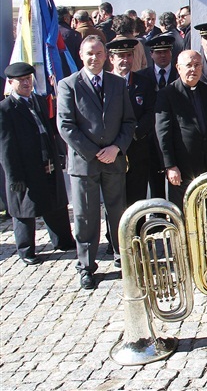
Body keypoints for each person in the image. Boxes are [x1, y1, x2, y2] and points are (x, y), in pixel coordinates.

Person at [57, 36, 136, 289]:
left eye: (99, 53)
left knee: (117, 213)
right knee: (86, 217)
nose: (95, 57)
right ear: (81, 55)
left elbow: (128, 121)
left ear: (106, 56)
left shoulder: (117, 84)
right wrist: (94, 152)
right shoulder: (68, 85)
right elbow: (65, 126)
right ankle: (86, 266)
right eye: (90, 53)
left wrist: (116, 148)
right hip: (84, 163)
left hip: (113, 160)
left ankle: (121, 257)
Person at [0, 62, 76, 265]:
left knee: (56, 202)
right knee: (24, 209)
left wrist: (59, 154)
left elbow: (50, 130)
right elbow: (5, 148)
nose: (26, 83)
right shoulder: (5, 109)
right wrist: (14, 176)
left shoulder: (39, 100)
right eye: (21, 80)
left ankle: (63, 240)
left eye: (28, 79)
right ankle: (26, 250)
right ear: (11, 82)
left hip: (47, 161)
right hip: (25, 166)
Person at [155, 50, 207, 208]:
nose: (193, 69)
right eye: (188, 65)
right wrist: (170, 165)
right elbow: (163, 133)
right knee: (185, 212)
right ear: (178, 67)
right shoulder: (167, 94)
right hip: (183, 167)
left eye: (197, 65)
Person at [107, 38, 156, 208]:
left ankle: (137, 233)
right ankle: (113, 235)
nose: (125, 60)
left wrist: (133, 132)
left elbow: (151, 112)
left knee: (137, 199)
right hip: (111, 150)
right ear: (111, 58)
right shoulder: (104, 84)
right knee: (114, 199)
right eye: (120, 56)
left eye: (128, 55)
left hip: (137, 149)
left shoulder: (144, 83)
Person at [137, 34, 178, 199]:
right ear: (151, 54)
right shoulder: (142, 77)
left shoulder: (179, 74)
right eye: (158, 52)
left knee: (177, 185)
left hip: (176, 138)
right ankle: (158, 222)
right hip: (150, 139)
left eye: (166, 51)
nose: (163, 55)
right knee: (155, 187)